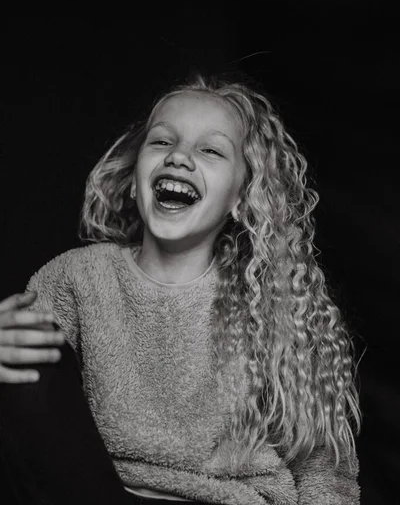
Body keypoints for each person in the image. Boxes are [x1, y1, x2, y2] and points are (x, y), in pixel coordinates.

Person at [0, 73, 361, 505]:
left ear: (242, 199)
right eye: (161, 142)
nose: (180, 158)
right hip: (99, 493)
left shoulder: (272, 306)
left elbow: (324, 468)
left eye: (209, 150)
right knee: (17, 355)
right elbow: (31, 422)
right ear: (134, 181)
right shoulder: (77, 279)